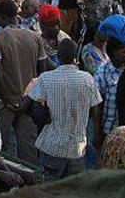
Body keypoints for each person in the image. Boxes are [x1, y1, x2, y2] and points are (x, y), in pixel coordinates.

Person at [25, 38, 101, 180]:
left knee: (50, 189)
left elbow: (26, 105)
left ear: (58, 57)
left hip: (52, 146)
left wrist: (42, 115)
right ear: (75, 57)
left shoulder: (46, 78)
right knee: (72, 191)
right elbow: (95, 111)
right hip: (77, 149)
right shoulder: (88, 79)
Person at [0, 0, 48, 164]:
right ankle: (30, 182)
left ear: (1, 17)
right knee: (28, 149)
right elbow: (42, 72)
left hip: (5, 101)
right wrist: (32, 98)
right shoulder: (35, 37)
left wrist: (7, 99)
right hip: (28, 101)